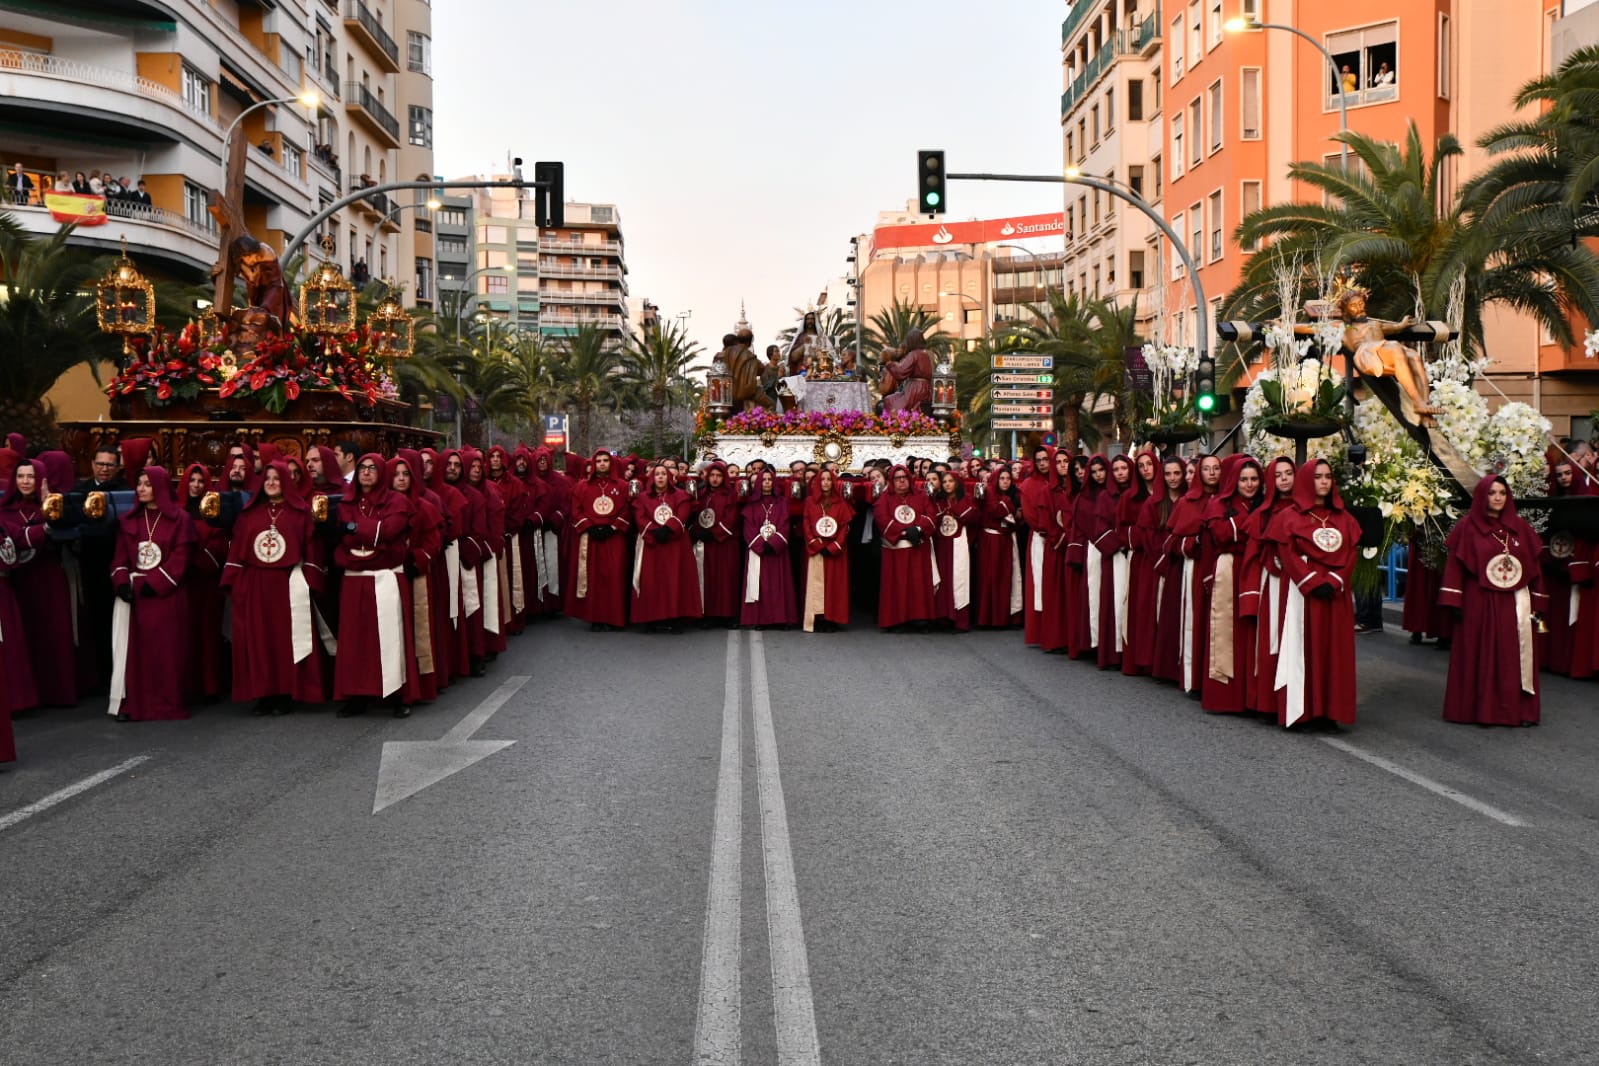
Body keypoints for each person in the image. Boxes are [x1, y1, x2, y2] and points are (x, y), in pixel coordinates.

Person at [221, 460, 328, 715]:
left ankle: (285, 693)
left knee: (284, 641)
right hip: (256, 584)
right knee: (259, 641)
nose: (270, 482)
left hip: (287, 584)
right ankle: (263, 693)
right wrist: (235, 583)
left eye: (276, 479)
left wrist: (310, 583)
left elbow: (312, 552)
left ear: (286, 482)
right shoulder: (249, 515)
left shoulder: (300, 514)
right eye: (267, 478)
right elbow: (236, 551)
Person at [1439, 477, 1547, 726]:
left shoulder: (1520, 527)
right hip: (1479, 601)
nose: (1498, 497)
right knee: (1480, 655)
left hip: (1514, 604)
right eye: (1492, 493)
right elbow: (1455, 567)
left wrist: (1539, 605)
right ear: (1482, 496)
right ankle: (1481, 711)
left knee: (1514, 657)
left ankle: (1518, 711)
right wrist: (1453, 601)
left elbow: (1535, 569)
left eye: (1502, 493)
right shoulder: (1467, 527)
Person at [1265, 459, 1361, 729]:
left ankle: (1329, 711)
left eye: (1328, 476)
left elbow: (1351, 553)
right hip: (1302, 593)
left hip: (1334, 594)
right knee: (1303, 648)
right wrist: (1310, 581)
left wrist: (1334, 580)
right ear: (1308, 480)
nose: (1324, 481)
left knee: (1334, 651)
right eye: (1318, 476)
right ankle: (1303, 711)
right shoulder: (1289, 517)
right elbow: (1286, 552)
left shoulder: (1344, 518)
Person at [108, 466, 196, 722]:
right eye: (139, 483)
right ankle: (133, 704)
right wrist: (122, 582)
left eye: (147, 484)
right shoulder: (128, 521)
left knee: (166, 653)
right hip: (134, 597)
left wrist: (156, 583)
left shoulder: (180, 519)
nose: (141, 488)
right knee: (133, 655)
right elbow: (119, 559)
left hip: (167, 597)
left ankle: (166, 704)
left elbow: (181, 558)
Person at [333, 453, 415, 718]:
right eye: (362, 468)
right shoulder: (346, 502)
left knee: (391, 638)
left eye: (372, 468)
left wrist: (355, 526)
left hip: (387, 576)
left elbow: (391, 531)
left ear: (381, 472)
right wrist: (373, 533)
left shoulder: (397, 500)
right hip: (355, 580)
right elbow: (343, 539)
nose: (366, 473)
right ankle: (356, 695)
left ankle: (396, 695)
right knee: (354, 640)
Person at [0, 454, 87, 706]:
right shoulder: (5, 508)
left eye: (31, 476)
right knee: (23, 637)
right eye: (20, 476)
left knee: (53, 633)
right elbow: (12, 535)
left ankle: (58, 693)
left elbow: (68, 531)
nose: (25, 481)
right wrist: (43, 529)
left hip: (49, 577)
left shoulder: (55, 503)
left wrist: (52, 513)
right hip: (17, 580)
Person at [1199, 457, 1264, 714]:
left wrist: (1239, 530)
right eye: (1244, 480)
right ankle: (1226, 698)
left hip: (1257, 570)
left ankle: (1254, 696)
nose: (1249, 485)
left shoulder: (1263, 505)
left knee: (1255, 632)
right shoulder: (1219, 504)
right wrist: (1252, 528)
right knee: (1228, 632)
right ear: (1235, 482)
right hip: (1230, 570)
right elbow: (1221, 535)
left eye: (1254, 479)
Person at [1239, 456, 1297, 715]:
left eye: (1289, 473)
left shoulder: (1305, 510)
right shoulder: (1261, 515)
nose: (1284, 479)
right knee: (1270, 642)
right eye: (1279, 475)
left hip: (1298, 587)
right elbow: (1252, 557)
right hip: (1272, 585)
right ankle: (1267, 703)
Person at [1165, 453, 1222, 694]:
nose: (1211, 473)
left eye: (1216, 468)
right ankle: (1194, 677)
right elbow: (1171, 542)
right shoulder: (1187, 502)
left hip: (1224, 569)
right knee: (1196, 622)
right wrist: (1192, 543)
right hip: (1197, 568)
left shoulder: (1227, 499)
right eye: (1206, 468)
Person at [392, 452, 443, 704]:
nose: (401, 479)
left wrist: (416, 559)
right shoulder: (384, 506)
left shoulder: (426, 507)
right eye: (396, 475)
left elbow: (433, 544)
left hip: (415, 577)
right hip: (387, 579)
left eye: (405, 475)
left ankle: (419, 684)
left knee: (417, 630)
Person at [631, 462, 701, 632]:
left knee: (675, 579)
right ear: (652, 478)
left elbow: (682, 514)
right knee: (652, 581)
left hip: (675, 544)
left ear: (669, 477)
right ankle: (652, 618)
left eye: (663, 474)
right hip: (652, 544)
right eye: (657, 474)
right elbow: (640, 517)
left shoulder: (680, 495)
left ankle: (675, 617)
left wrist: (668, 529)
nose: (660, 476)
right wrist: (654, 532)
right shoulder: (643, 497)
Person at [567, 449, 631, 631]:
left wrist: (613, 527)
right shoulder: (582, 486)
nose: (602, 464)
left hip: (614, 537)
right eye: (599, 461)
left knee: (615, 576)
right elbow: (576, 510)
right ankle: (596, 618)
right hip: (591, 537)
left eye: (606, 460)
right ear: (594, 464)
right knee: (593, 578)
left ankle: (615, 617)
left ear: (611, 463)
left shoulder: (622, 486)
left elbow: (627, 509)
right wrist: (589, 527)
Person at [181, 463, 230, 701]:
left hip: (205, 583)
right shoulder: (175, 510)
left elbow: (219, 549)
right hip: (180, 583)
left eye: (201, 481)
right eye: (192, 480)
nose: (196, 485)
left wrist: (192, 554)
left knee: (208, 635)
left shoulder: (213, 513)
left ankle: (209, 686)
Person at [1137, 456, 1188, 683]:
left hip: (1185, 564)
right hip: (1162, 565)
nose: (1173, 479)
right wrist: (1164, 558)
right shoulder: (1154, 503)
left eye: (1177, 473)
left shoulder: (1189, 500)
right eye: (1168, 474)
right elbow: (1148, 535)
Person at [873, 464, 938, 630]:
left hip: (917, 548)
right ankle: (896, 620)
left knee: (918, 585)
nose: (901, 481)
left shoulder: (921, 495)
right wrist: (904, 532)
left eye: (904, 477)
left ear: (909, 479)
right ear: (892, 481)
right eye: (897, 478)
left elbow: (931, 515)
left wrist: (916, 529)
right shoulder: (885, 498)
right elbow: (882, 518)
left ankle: (919, 618)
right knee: (897, 585)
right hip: (895, 550)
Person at [1115, 449, 1156, 676]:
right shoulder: (1129, 497)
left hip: (1160, 556)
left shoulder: (1165, 493)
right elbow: (1122, 529)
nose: (1146, 469)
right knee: (1139, 606)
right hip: (1140, 557)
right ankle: (1138, 659)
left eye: (1149, 464)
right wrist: (1141, 536)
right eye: (1141, 465)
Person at [741, 468, 799, 627]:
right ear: (759, 482)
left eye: (770, 479)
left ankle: (779, 619)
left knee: (779, 585)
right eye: (764, 479)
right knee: (760, 585)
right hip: (758, 551)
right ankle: (760, 619)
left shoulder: (782, 503)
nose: (767, 482)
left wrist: (774, 544)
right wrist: (761, 545)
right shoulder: (751, 504)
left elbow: (784, 525)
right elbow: (749, 528)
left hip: (777, 551)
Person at [801, 468, 854, 632]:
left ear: (833, 482)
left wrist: (834, 546)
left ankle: (832, 618)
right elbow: (807, 524)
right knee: (816, 585)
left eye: (829, 479)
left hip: (835, 550)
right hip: (817, 548)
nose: (825, 482)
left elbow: (844, 527)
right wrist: (816, 544)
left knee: (835, 585)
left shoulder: (840, 503)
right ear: (817, 482)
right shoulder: (810, 501)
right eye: (822, 479)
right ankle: (818, 617)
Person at [694, 461, 743, 627]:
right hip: (706, 543)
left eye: (719, 476)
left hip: (725, 543)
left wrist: (714, 533)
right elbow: (695, 513)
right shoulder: (701, 494)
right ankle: (709, 614)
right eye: (712, 475)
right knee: (709, 578)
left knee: (726, 578)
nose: (715, 479)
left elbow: (731, 519)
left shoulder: (730, 495)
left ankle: (728, 615)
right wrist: (699, 531)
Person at [975, 466, 1024, 628]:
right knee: (989, 578)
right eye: (1002, 478)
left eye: (1008, 479)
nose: (1005, 482)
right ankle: (988, 617)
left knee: (1006, 577)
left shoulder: (1013, 495)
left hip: (1006, 540)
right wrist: (1009, 505)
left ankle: (1004, 617)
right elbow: (994, 510)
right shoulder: (989, 493)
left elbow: (1019, 517)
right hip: (990, 540)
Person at [931, 469, 976, 632]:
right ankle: (943, 617)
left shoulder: (966, 499)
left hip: (959, 542)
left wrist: (954, 509)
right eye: (944, 482)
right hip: (942, 544)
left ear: (957, 483)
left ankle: (960, 619)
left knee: (959, 578)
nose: (947, 484)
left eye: (950, 481)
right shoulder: (937, 501)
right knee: (943, 579)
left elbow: (970, 518)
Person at [1019, 447, 1054, 646]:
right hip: (1040, 538)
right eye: (1039, 459)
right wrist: (1045, 530)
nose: (1042, 463)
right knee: (1040, 584)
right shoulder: (1028, 485)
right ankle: (1040, 632)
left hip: (1059, 538)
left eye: (1045, 459)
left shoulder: (1060, 482)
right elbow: (1030, 515)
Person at [880, 330, 933, 416]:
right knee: (895, 396)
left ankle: (893, 425)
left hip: (915, 391)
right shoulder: (926, 355)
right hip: (926, 390)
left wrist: (889, 363)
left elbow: (901, 372)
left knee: (889, 401)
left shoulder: (913, 354)